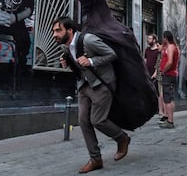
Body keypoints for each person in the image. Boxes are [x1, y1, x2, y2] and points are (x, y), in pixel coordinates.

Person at [52, 16, 130, 174]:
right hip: (84, 86)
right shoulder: (66, 47)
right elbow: (79, 66)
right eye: (54, 31)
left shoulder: (88, 40)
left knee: (97, 120)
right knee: (83, 121)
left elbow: (112, 54)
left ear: (70, 30)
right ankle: (95, 159)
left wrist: (92, 61)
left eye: (58, 30)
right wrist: (68, 64)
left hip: (102, 84)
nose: (55, 34)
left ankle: (122, 138)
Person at [158, 30, 179, 129]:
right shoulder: (174, 47)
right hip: (172, 75)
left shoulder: (170, 47)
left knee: (167, 99)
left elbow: (170, 62)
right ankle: (169, 119)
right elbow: (160, 50)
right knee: (169, 97)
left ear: (166, 37)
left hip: (168, 74)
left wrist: (163, 71)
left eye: (163, 38)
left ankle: (170, 121)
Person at [150, 39, 166, 123]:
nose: (157, 47)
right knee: (160, 95)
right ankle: (161, 111)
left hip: (164, 76)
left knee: (163, 95)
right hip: (159, 76)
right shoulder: (159, 54)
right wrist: (154, 74)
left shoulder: (165, 54)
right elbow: (157, 64)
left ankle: (165, 113)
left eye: (158, 46)